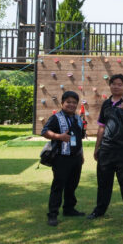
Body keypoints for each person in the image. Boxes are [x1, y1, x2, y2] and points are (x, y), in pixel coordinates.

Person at [88, 74, 123, 221]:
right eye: (114, 84)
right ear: (110, 85)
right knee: (103, 182)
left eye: (120, 84)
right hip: (106, 149)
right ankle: (99, 210)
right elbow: (101, 127)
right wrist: (96, 148)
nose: (116, 86)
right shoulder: (106, 104)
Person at [41, 90, 86, 226]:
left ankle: (69, 209)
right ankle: (53, 214)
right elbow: (45, 132)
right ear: (62, 103)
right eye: (68, 102)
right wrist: (59, 136)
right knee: (58, 186)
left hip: (76, 157)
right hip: (61, 157)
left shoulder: (78, 118)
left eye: (74, 102)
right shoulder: (56, 118)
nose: (71, 105)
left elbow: (79, 137)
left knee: (72, 185)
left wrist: (81, 154)